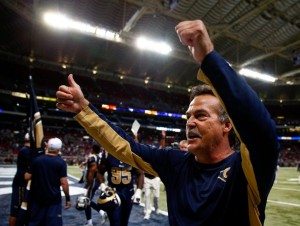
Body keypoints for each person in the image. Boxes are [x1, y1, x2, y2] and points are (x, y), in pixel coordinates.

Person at [56, 19, 279, 226]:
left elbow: (262, 132)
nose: (190, 122)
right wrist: (83, 110)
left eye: (200, 115)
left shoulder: (247, 171)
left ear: (226, 125)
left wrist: (209, 59)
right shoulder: (175, 163)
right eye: (188, 116)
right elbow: (124, 145)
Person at [26, 137, 71, 226]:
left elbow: (27, 177)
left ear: (47, 146)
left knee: (35, 222)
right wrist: (68, 198)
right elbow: (64, 183)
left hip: (37, 199)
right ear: (59, 149)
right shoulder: (61, 162)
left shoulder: (36, 160)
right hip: (53, 200)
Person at [90, 153, 144, 226]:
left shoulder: (133, 156)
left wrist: (139, 190)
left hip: (128, 192)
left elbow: (140, 173)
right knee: (114, 222)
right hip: (113, 192)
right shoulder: (109, 155)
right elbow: (100, 172)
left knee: (124, 222)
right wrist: (102, 184)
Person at [9, 133, 32, 226]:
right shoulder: (26, 151)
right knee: (16, 211)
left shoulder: (26, 150)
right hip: (21, 184)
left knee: (21, 210)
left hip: (22, 183)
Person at [143, 130, 165, 220]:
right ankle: (147, 212)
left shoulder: (156, 150)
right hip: (147, 178)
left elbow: (162, 148)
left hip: (155, 178)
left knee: (157, 196)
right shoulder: (144, 150)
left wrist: (163, 137)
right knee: (147, 196)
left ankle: (156, 208)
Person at [82, 144, 106, 226]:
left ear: (92, 149)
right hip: (97, 180)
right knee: (87, 200)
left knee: (86, 200)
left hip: (93, 181)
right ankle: (92, 220)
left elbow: (92, 172)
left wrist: (87, 186)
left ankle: (99, 214)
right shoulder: (99, 158)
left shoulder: (92, 158)